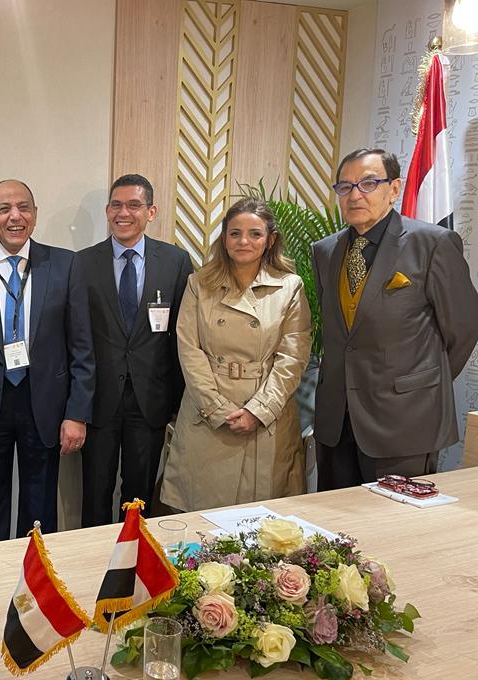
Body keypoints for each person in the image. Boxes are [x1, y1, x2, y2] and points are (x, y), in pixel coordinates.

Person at [312, 148, 478, 489]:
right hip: (336, 421)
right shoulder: (325, 251)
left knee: (396, 517)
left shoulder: (432, 244)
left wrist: (417, 384)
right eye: (345, 187)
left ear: (394, 188)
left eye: (368, 183)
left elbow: (463, 329)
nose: (355, 195)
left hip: (404, 420)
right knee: (332, 518)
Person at [0, 179, 94, 544]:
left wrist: (77, 413)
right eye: (4, 209)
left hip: (45, 404)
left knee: (40, 513)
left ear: (35, 214)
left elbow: (82, 347)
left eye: (23, 207)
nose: (15, 216)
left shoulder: (66, 264)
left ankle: (36, 578)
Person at [161, 198, 311, 512]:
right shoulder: (199, 284)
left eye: (255, 234)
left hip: (266, 416)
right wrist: (217, 409)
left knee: (263, 523)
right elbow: (189, 350)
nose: (244, 241)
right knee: (202, 520)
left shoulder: (289, 287)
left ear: (270, 239)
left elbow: (293, 358)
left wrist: (258, 411)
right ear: (224, 238)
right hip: (208, 416)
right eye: (235, 233)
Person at [78, 174, 192, 525]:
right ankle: (94, 556)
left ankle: (133, 556)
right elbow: (76, 337)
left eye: (133, 205)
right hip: (99, 399)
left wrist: (179, 401)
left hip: (150, 400)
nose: (123, 213)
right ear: (107, 211)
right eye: (116, 205)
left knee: (139, 496)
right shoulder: (83, 263)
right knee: (95, 492)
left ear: (151, 211)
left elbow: (183, 335)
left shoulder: (175, 261)